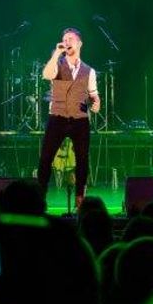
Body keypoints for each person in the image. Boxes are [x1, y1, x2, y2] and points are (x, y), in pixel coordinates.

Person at [38, 28, 100, 210]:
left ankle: (80, 197)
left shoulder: (89, 71)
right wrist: (56, 53)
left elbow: (93, 95)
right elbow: (46, 75)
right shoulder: (57, 63)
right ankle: (40, 198)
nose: (67, 42)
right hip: (57, 117)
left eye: (70, 39)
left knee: (82, 159)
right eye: (64, 39)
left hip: (80, 119)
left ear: (79, 43)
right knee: (45, 158)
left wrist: (96, 103)